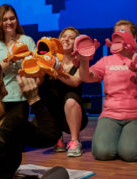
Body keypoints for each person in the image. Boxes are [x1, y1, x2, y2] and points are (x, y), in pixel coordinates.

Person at [77, 20, 137, 161]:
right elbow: (86, 77)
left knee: (130, 154)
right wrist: (84, 60)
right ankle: (120, 140)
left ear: (134, 36)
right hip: (111, 114)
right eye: (116, 34)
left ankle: (135, 139)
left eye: (124, 32)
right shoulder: (107, 60)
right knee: (102, 153)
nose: (119, 36)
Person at [0, 4, 36, 120]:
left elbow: (36, 67)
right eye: (4, 19)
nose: (9, 22)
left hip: (21, 97)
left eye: (12, 18)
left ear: (17, 20)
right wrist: (13, 58)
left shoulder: (27, 41)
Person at [40, 27, 88, 157]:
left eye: (71, 38)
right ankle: (57, 137)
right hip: (54, 115)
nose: (66, 39)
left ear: (76, 43)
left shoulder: (81, 61)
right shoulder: (49, 58)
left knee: (71, 98)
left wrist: (56, 69)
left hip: (74, 114)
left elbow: (75, 81)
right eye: (64, 36)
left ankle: (75, 141)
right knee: (46, 92)